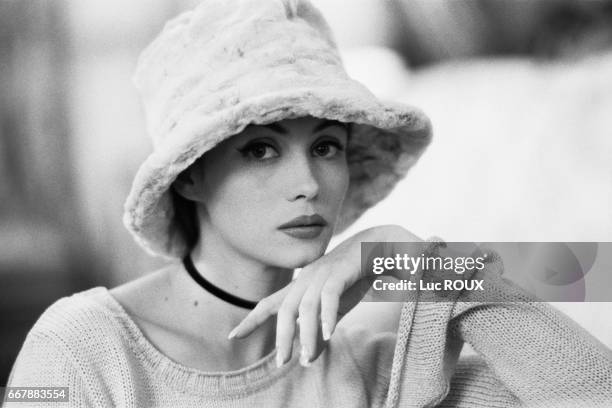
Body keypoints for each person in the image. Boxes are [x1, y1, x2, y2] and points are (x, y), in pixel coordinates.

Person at [6, 0, 612, 407]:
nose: (309, 183)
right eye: (261, 149)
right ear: (188, 177)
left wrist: (409, 259)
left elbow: (593, 389)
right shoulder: (86, 348)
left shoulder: (381, 366)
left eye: (325, 145)